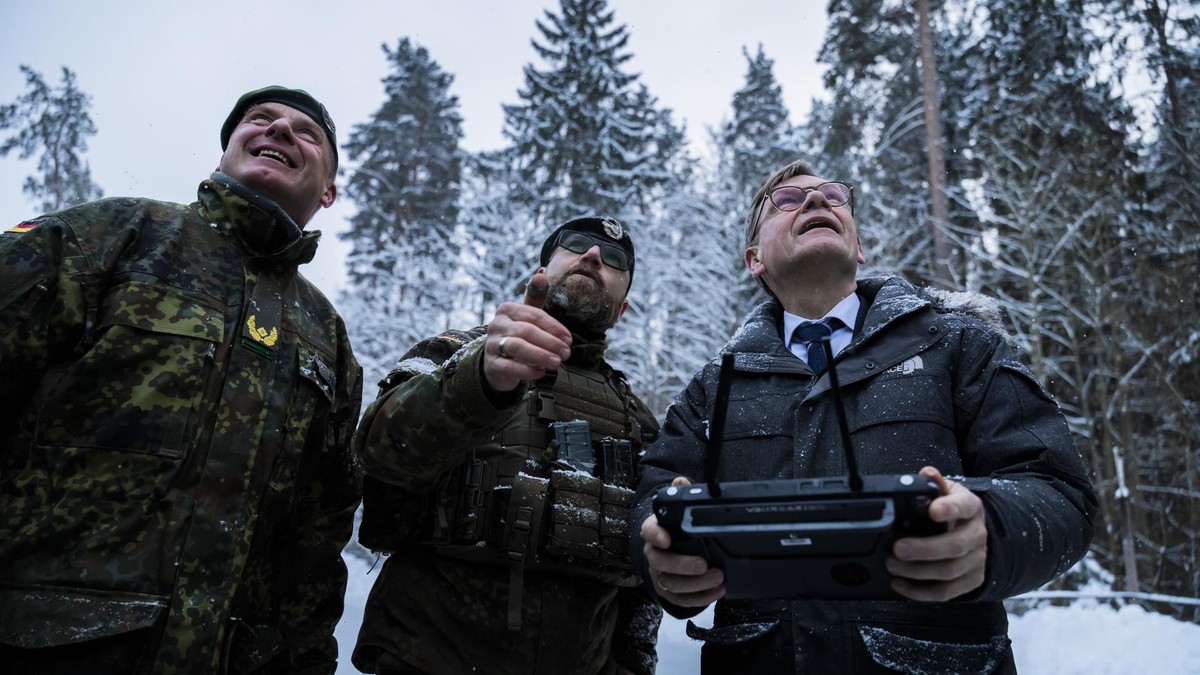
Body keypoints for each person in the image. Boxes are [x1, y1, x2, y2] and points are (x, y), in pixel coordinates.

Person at [632, 160, 1099, 674]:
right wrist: (660, 557)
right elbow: (653, 499)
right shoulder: (714, 387)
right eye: (787, 201)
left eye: (833, 196)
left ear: (858, 248)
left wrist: (991, 532)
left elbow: (1059, 492)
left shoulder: (959, 345)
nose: (816, 202)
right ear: (754, 260)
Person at [0, 86, 362, 674]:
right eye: (259, 120)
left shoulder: (328, 337)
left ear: (328, 191)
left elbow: (315, 540)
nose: (277, 131)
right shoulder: (111, 238)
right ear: (225, 155)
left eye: (306, 132)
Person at [352, 216, 662, 675]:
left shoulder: (637, 420)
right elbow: (377, 451)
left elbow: (641, 590)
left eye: (614, 259)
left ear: (622, 310)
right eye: (576, 246)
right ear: (540, 273)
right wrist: (481, 381)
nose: (594, 256)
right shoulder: (451, 353)